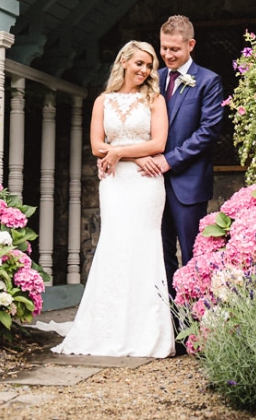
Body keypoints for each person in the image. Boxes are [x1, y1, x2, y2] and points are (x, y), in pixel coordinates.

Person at [52, 40, 174, 358]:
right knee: (115, 245)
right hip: (115, 182)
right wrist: (130, 155)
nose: (145, 70)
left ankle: (146, 331)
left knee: (144, 247)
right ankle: (108, 326)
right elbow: (96, 146)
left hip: (146, 183)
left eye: (149, 65)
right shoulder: (103, 101)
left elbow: (159, 143)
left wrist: (119, 151)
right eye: (140, 63)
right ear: (123, 62)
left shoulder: (155, 100)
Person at [136, 16, 224, 302]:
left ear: (191, 45)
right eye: (164, 48)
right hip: (152, 183)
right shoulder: (153, 81)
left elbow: (208, 132)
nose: (167, 55)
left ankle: (194, 326)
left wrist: (169, 160)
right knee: (159, 256)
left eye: (175, 49)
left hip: (188, 184)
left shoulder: (209, 81)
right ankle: (168, 324)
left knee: (191, 256)